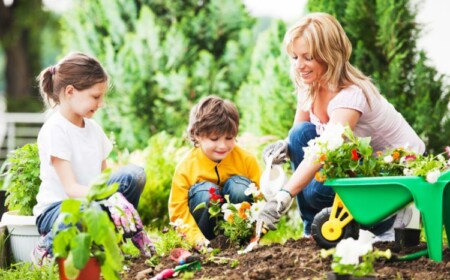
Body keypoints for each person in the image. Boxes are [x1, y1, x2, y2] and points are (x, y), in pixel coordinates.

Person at [257, 13, 425, 240]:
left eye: (308, 57)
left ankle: (386, 220)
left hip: (394, 177)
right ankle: (312, 230)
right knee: (299, 136)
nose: (299, 66)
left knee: (316, 190)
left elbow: (322, 151)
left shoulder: (351, 96)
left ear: (329, 55)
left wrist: (282, 197)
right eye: (295, 57)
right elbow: (300, 134)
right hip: (359, 163)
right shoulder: (310, 85)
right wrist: (283, 147)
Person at [32, 52, 154, 264]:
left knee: (134, 175)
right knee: (88, 209)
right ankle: (47, 246)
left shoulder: (94, 129)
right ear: (70, 91)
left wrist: (115, 199)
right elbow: (71, 188)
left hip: (92, 203)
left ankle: (116, 236)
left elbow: (104, 177)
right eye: (96, 97)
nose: (101, 103)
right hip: (58, 209)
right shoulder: (56, 129)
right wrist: (109, 197)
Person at [169, 96, 262, 247]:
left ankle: (239, 241)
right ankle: (210, 244)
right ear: (198, 135)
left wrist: (255, 236)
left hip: (238, 229)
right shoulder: (186, 167)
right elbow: (178, 212)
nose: (222, 146)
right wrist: (197, 241)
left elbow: (261, 201)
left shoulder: (246, 160)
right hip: (204, 235)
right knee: (206, 192)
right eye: (214, 139)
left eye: (229, 138)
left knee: (240, 188)